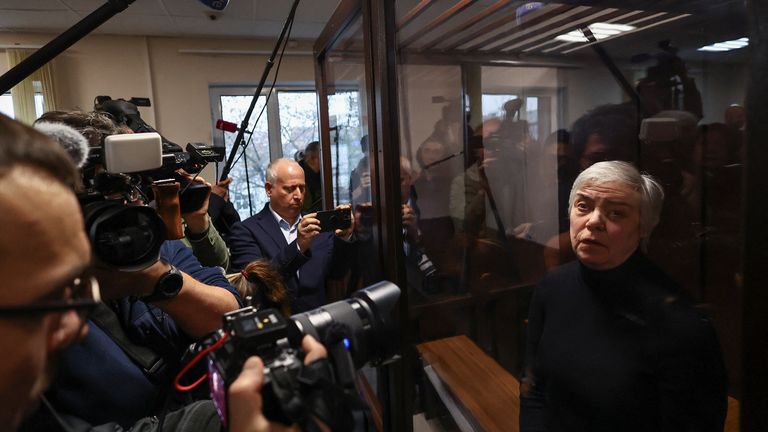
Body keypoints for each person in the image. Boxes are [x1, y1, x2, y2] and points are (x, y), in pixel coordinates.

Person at [0, 113, 330, 432]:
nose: (129, 207)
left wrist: (154, 279)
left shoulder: (150, 242)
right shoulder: (34, 299)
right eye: (103, 195)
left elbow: (229, 308)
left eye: (129, 191)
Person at [520, 161, 727, 432]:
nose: (594, 222)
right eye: (583, 206)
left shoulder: (680, 322)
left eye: (616, 213)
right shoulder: (552, 286)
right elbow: (533, 387)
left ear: (645, 226)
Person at [229, 158, 354, 312]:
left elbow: (337, 273)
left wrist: (343, 239)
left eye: (302, 188)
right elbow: (251, 285)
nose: (298, 195)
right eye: (290, 189)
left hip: (316, 321)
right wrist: (298, 247)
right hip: (274, 322)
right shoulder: (246, 230)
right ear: (269, 189)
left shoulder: (317, 226)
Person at [300, 141, 323, 213]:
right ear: (312, 158)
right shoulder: (299, 175)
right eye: (322, 158)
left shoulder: (321, 174)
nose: (325, 161)